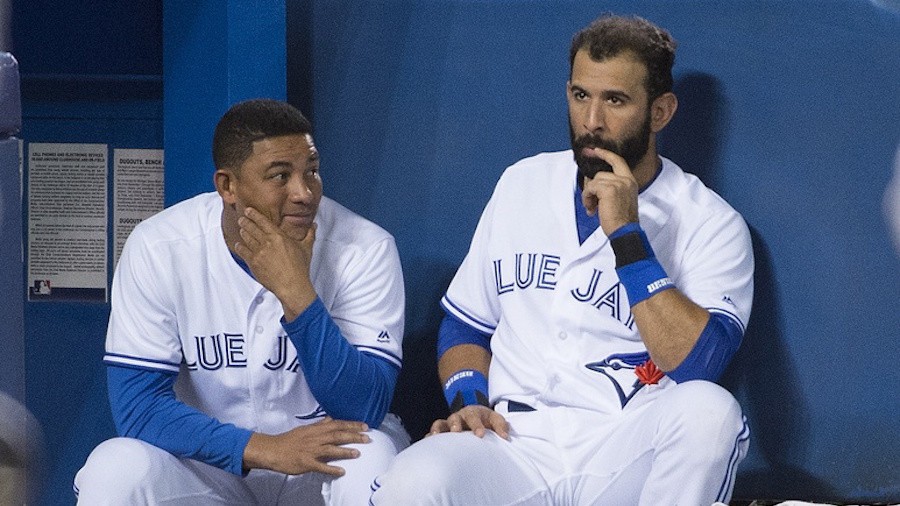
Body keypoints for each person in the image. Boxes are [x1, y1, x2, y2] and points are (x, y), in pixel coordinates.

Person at [371, 14, 753, 505]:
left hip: (622, 449)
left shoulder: (710, 223)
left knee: (711, 411)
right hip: (513, 443)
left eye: (615, 100)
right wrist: (469, 400)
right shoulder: (521, 184)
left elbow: (700, 363)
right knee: (414, 478)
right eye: (580, 96)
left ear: (660, 112)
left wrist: (627, 237)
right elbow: (466, 326)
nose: (592, 121)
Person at [74, 99, 409, 505]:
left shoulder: (364, 248)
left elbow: (364, 405)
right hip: (212, 466)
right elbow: (139, 407)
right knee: (114, 469)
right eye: (280, 176)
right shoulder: (160, 246)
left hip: (323, 457)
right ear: (228, 186)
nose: (304, 193)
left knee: (369, 457)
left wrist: (297, 294)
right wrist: (263, 448)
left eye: (312, 171)